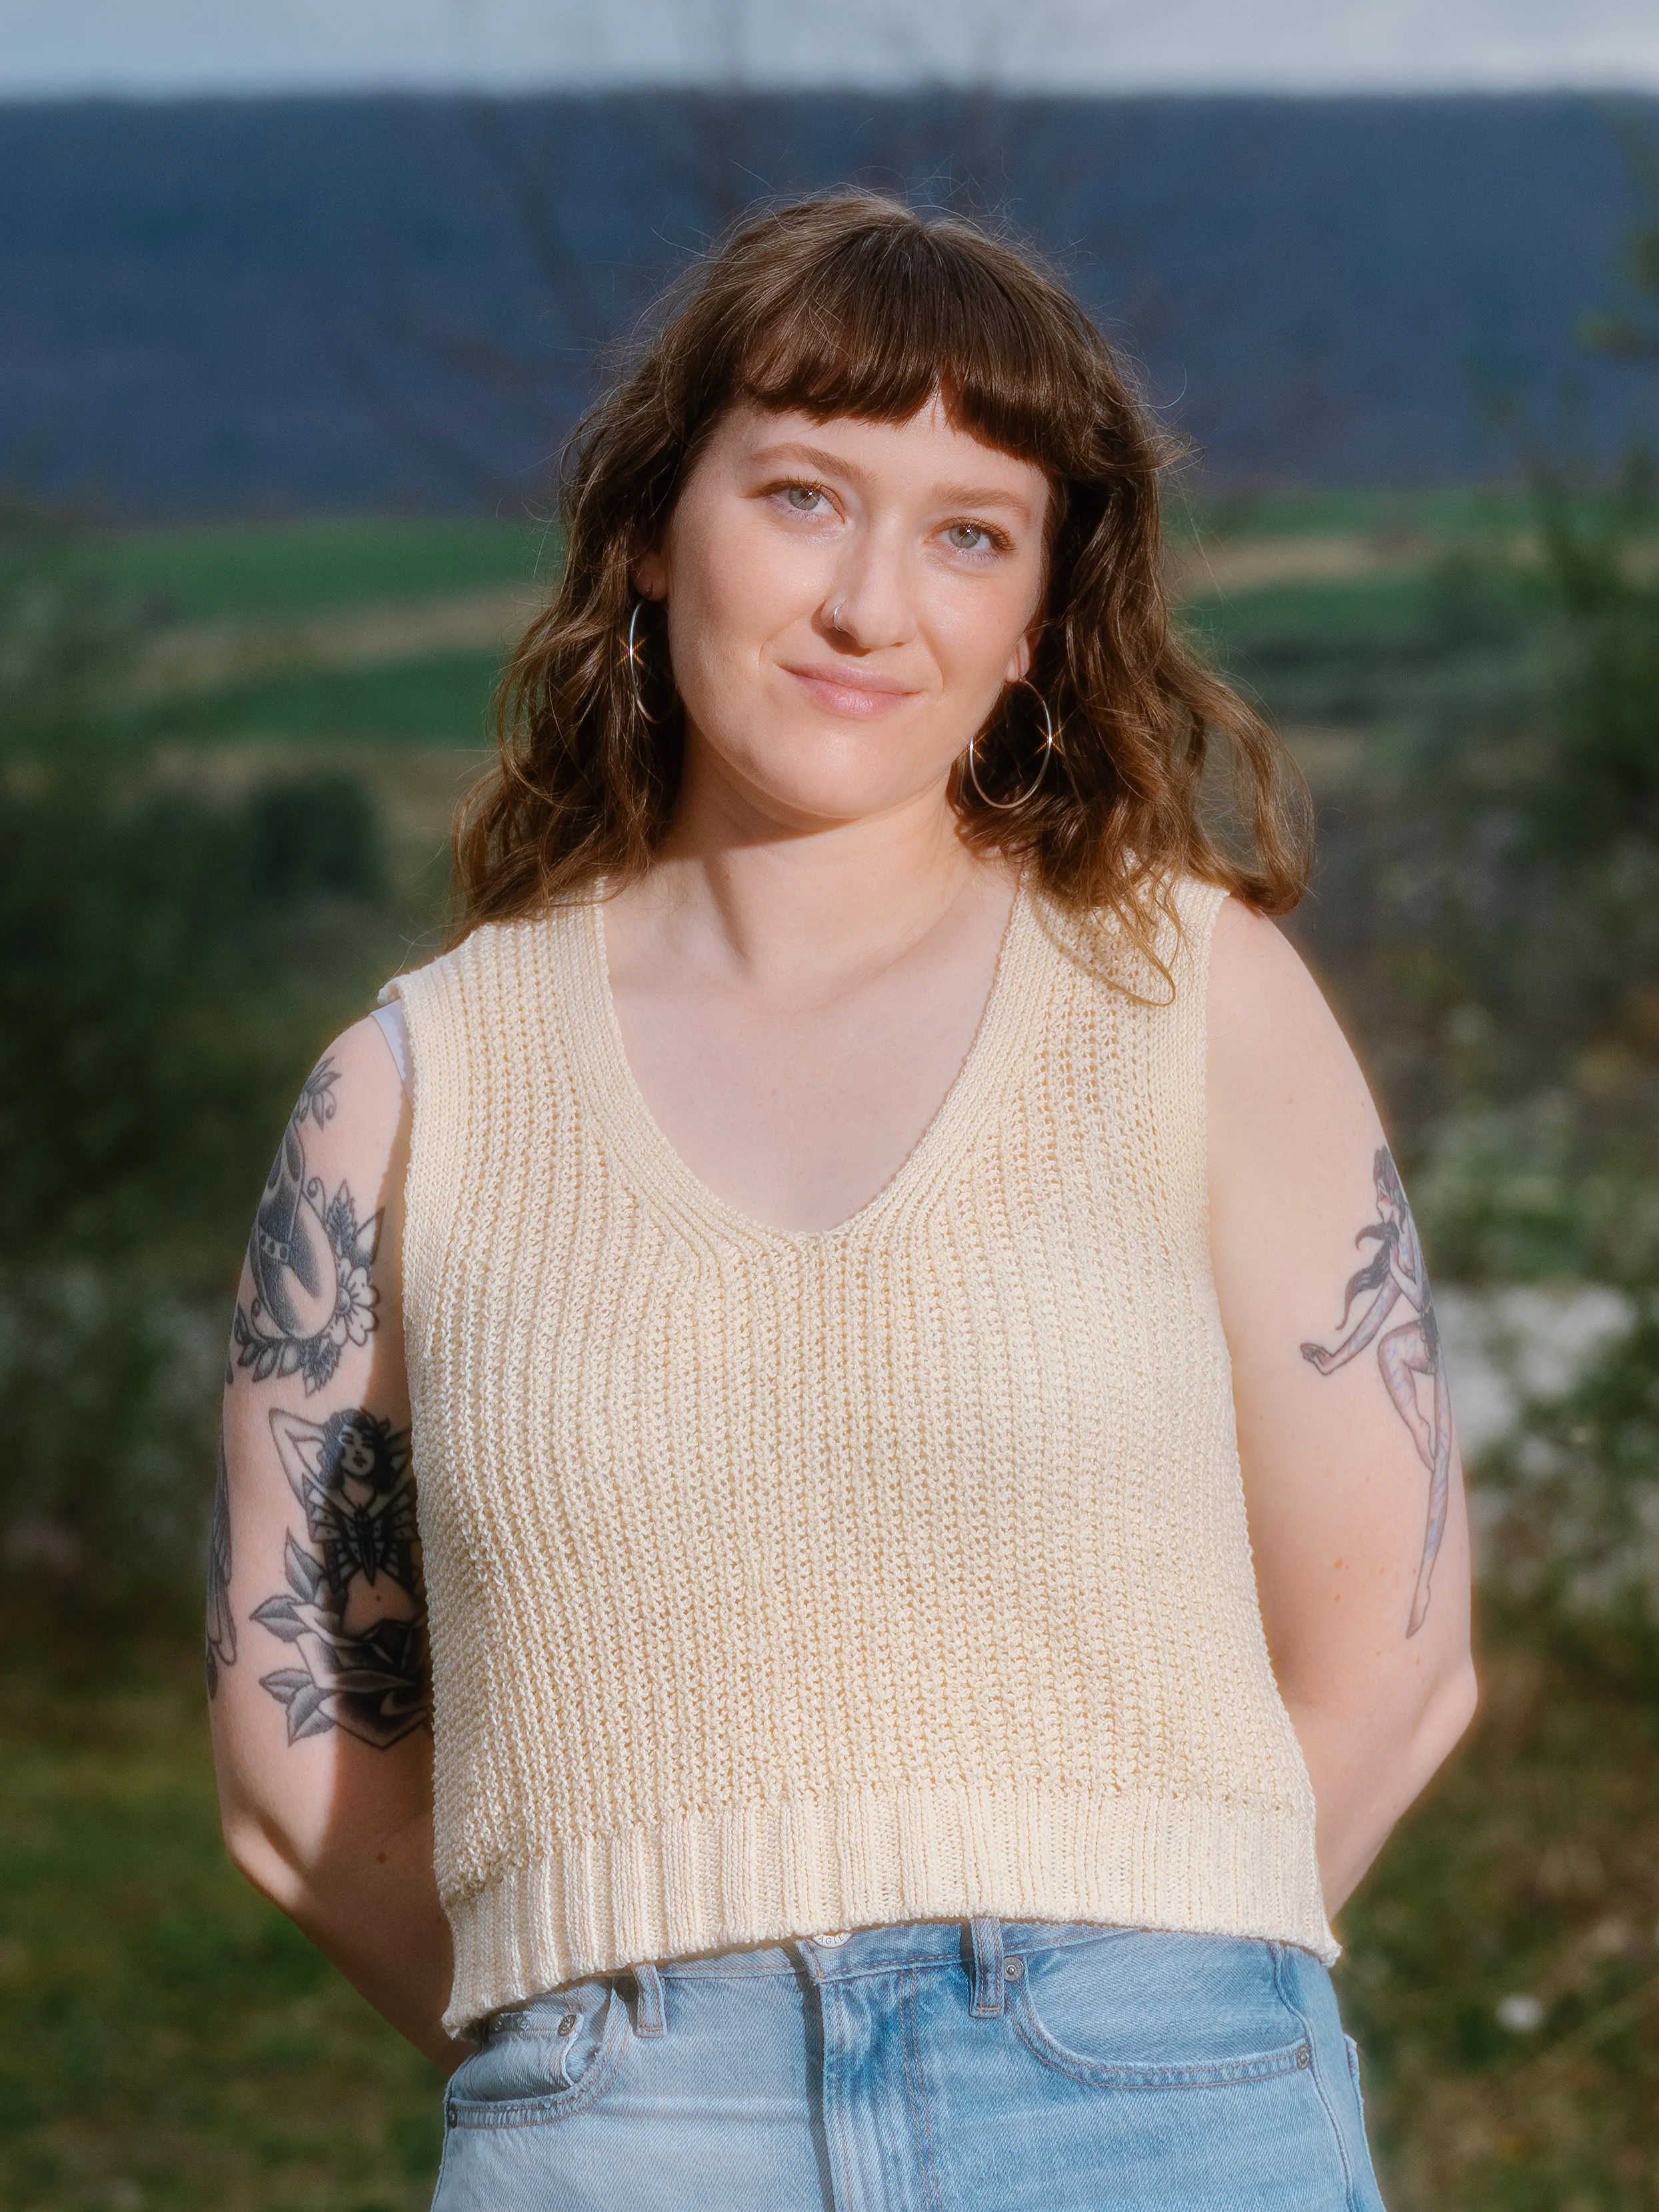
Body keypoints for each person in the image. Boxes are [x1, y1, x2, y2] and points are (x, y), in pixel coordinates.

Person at [207, 194, 1476, 2209]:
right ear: (653, 524)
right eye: (803, 494)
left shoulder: (1192, 995)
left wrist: (1143, 1967)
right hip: (620, 2127)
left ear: (1042, 612)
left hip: (1159, 2102)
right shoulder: (410, 1090)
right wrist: (610, 2059)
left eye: (969, 530)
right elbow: (302, 1780)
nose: (870, 603)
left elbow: (1396, 1663)